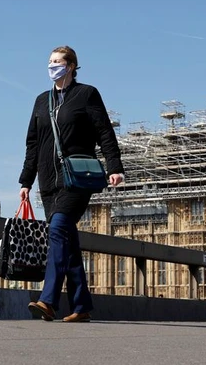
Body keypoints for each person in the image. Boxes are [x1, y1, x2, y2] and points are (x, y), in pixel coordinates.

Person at [18, 45, 124, 323]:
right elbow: (33, 144)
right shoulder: (42, 100)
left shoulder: (86, 94)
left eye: (58, 62)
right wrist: (26, 180)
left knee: (57, 230)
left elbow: (104, 132)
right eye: (50, 61)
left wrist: (115, 167)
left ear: (72, 66)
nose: (52, 66)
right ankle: (81, 306)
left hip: (77, 178)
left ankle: (48, 300)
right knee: (67, 240)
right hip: (48, 181)